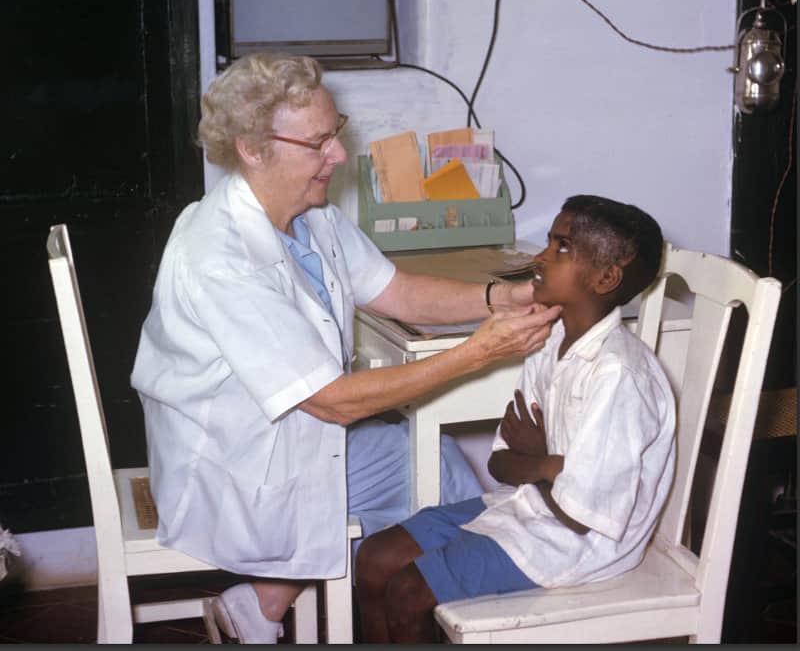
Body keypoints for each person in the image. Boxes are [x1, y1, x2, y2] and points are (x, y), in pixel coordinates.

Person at [129, 51, 562, 643]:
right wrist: (478, 353)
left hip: (278, 439)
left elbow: (399, 292)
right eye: (317, 143)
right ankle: (448, 619)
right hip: (235, 465)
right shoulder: (221, 256)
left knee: (434, 464)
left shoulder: (308, 216)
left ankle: (271, 606)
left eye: (335, 134)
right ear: (253, 150)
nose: (337, 154)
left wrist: (498, 297)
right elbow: (333, 403)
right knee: (441, 487)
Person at [354, 195, 677, 643]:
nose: (540, 257)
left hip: (581, 546)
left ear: (606, 277)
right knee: (374, 559)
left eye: (561, 247)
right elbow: (501, 464)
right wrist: (550, 465)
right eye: (549, 242)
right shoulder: (551, 340)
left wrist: (540, 461)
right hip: (531, 507)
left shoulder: (618, 376)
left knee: (409, 592)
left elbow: (581, 514)